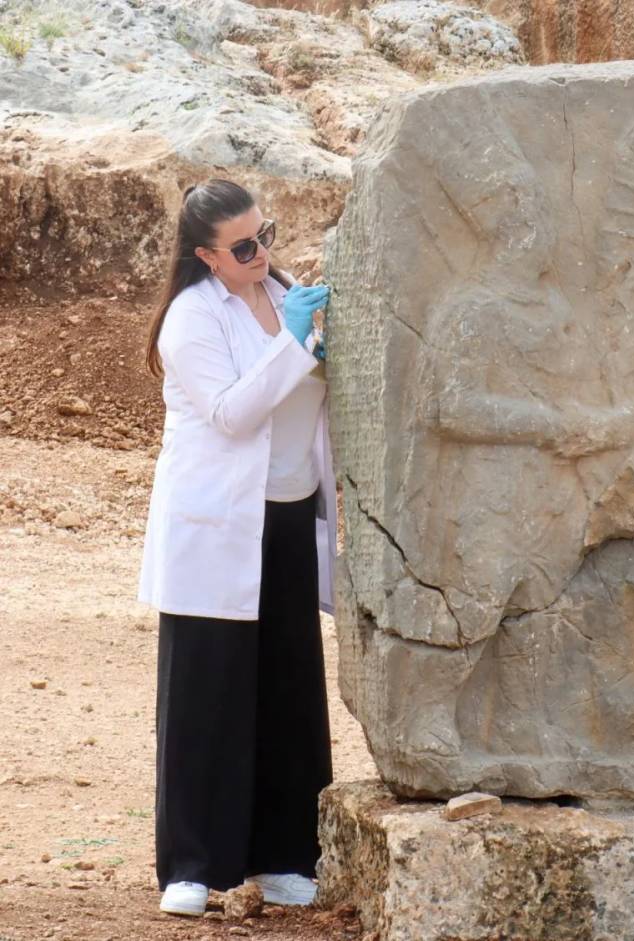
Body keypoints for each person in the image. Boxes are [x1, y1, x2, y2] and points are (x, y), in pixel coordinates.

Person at [137, 178, 338, 917]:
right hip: (219, 525)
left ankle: (286, 856)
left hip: (287, 518)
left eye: (268, 234)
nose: (262, 253)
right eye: (245, 246)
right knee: (207, 692)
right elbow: (231, 413)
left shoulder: (288, 292)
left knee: (287, 690)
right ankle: (191, 863)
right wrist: (293, 343)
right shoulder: (190, 320)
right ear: (206, 256)